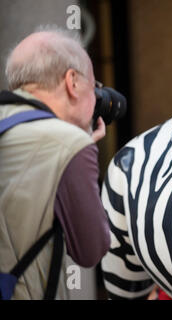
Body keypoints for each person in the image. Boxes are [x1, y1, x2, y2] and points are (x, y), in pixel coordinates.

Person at [0, 27, 110, 299]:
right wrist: (79, 148)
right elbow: (91, 249)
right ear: (72, 81)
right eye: (94, 86)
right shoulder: (69, 143)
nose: (97, 98)